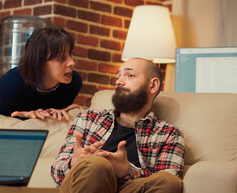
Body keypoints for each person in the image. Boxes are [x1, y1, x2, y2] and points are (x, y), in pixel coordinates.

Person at [51, 58, 185, 193]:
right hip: (84, 184)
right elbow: (56, 171)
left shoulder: (169, 134)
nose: (118, 81)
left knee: (169, 181)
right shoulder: (88, 118)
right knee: (98, 164)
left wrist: (126, 170)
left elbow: (170, 180)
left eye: (130, 75)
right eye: (118, 76)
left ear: (153, 85)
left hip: (130, 189)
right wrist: (73, 163)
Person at [0, 25, 82, 121]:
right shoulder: (12, 83)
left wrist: (63, 111)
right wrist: (24, 116)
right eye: (61, 58)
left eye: (70, 54)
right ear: (40, 63)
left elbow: (58, 110)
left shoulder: (73, 82)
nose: (72, 62)